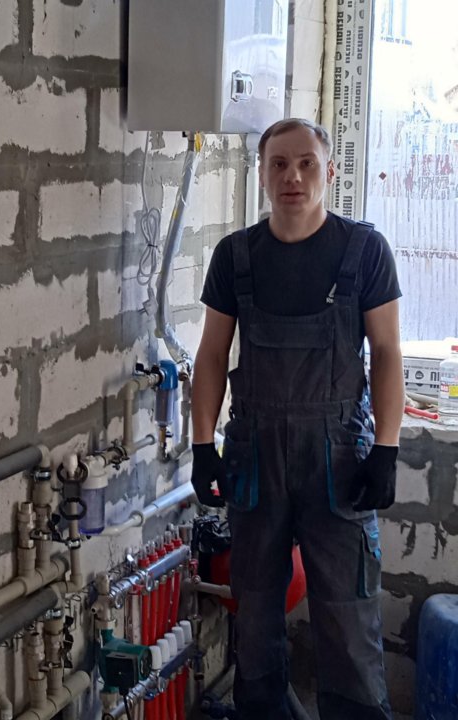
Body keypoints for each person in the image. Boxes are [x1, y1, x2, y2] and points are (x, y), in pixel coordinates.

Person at [190, 118, 404, 720]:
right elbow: (211, 354)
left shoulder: (364, 252)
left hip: (339, 461)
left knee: (347, 619)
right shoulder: (235, 257)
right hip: (255, 458)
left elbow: (387, 351)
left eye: (307, 163)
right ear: (261, 174)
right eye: (279, 164)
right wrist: (202, 445)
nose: (293, 176)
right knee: (256, 616)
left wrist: (386, 449)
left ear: (328, 171)